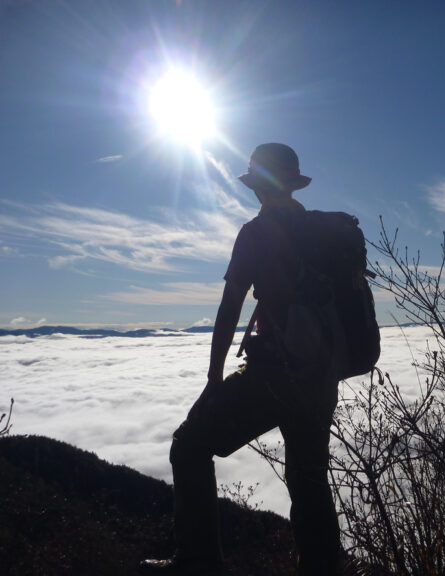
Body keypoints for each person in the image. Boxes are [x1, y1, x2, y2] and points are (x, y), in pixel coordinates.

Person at [141, 144, 342, 575]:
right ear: (293, 184)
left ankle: (197, 563)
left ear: (257, 186)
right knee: (309, 486)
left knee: (188, 446)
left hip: (277, 374)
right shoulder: (322, 233)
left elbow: (230, 306)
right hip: (322, 379)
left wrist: (213, 380)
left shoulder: (256, 233)